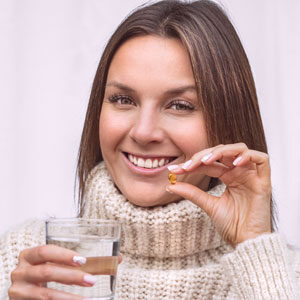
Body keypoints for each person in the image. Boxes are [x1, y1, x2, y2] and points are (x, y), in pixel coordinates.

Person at [1, 0, 300, 299]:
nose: (143, 132)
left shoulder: (287, 276)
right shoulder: (22, 262)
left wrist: (256, 251)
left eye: (180, 105)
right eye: (123, 100)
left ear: (228, 122)